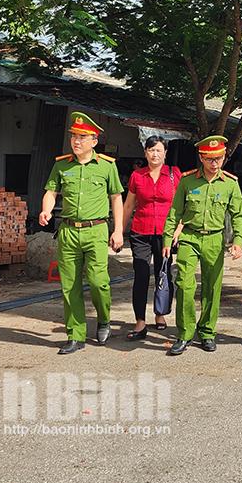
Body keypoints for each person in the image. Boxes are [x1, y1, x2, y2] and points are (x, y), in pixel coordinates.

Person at [39, 112, 124, 355]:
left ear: (94, 141)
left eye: (82, 137)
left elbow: (116, 198)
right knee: (69, 286)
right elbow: (51, 192)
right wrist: (46, 210)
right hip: (68, 232)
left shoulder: (107, 166)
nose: (76, 141)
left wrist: (118, 230)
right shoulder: (61, 165)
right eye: (74, 136)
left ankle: (104, 319)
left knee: (99, 282)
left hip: (96, 230)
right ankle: (74, 335)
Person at [162, 135, 242, 355]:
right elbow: (174, 212)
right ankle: (185, 333)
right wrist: (167, 239)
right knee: (185, 285)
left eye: (218, 158)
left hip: (214, 239)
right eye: (209, 158)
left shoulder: (230, 184)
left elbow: (238, 215)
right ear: (201, 157)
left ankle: (207, 331)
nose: (214, 163)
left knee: (212, 286)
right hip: (189, 238)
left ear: (223, 157)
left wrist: (238, 241)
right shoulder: (188, 181)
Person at [122, 136, 182, 339]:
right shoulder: (137, 176)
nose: (155, 154)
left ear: (165, 153)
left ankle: (160, 313)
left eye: (159, 150)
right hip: (140, 232)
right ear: (145, 152)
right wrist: (118, 231)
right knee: (140, 275)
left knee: (163, 273)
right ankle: (140, 321)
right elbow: (129, 205)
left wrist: (178, 230)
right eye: (151, 150)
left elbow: (183, 205)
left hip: (165, 234)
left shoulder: (174, 174)